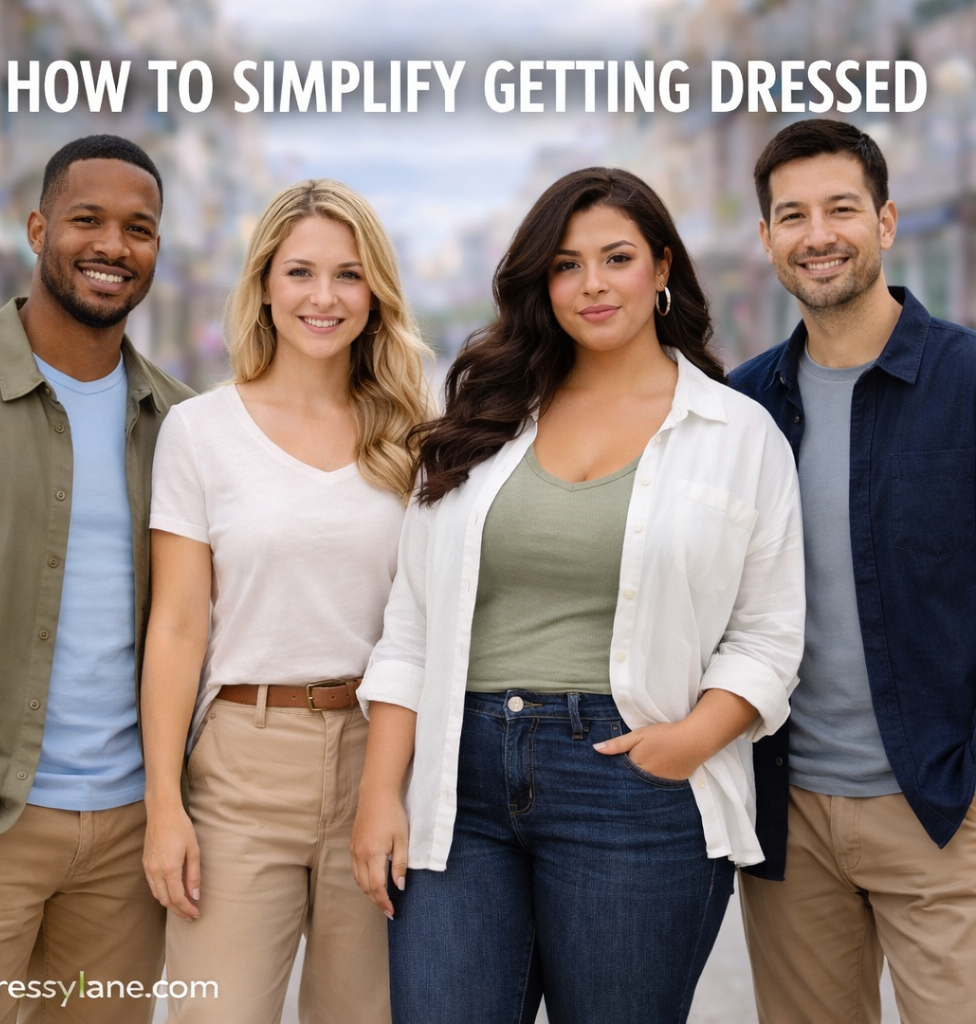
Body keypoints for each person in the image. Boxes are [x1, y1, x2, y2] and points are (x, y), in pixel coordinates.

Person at [350, 167, 805, 1024]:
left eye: (617, 258)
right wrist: (381, 796)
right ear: (541, 284)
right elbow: (409, 625)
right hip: (461, 781)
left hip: (630, 784)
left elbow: (771, 632)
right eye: (565, 264)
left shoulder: (736, 433)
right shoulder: (486, 413)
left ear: (663, 268)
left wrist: (687, 743)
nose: (592, 284)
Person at [140, 178, 431, 1024]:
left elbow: (421, 626)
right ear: (265, 284)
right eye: (300, 272)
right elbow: (178, 627)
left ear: (375, 295)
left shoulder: (414, 438)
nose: (324, 297)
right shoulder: (200, 433)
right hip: (240, 765)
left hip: (379, 763)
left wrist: (391, 789)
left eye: (348, 275)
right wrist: (166, 808)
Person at [730, 118, 976, 1024]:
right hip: (790, 818)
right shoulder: (743, 405)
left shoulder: (966, 383)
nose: (817, 234)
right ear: (766, 241)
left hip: (943, 810)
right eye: (792, 216)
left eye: (841, 208)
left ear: (885, 222)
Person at [0, 135, 193, 1024]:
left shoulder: (179, 422)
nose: (112, 246)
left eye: (139, 228)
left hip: (128, 834)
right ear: (37, 227)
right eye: (87, 219)